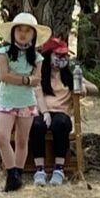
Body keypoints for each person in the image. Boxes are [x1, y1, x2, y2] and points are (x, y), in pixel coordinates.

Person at [0, 12, 40, 192]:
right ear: (13, 32)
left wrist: (21, 78)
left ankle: (17, 176)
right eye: (19, 30)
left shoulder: (36, 57)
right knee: (2, 137)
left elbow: (37, 79)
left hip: (27, 102)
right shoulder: (2, 53)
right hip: (7, 100)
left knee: (22, 140)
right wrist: (26, 79)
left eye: (27, 31)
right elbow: (3, 75)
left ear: (33, 35)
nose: (23, 34)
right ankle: (11, 172)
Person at [28, 36, 76, 186]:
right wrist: (45, 112)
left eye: (64, 56)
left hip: (62, 113)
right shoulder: (40, 76)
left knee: (60, 124)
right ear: (48, 56)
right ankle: (39, 169)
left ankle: (59, 169)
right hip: (42, 111)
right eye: (58, 55)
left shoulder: (70, 76)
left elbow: (94, 89)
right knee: (37, 125)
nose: (62, 59)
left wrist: (82, 87)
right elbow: (39, 95)